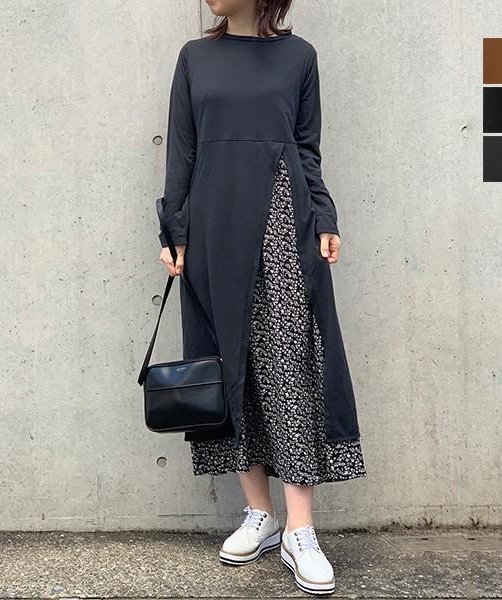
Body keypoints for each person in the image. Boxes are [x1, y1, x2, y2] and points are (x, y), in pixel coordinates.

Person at [156, 0, 367, 594]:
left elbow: (307, 148)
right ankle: (260, 514)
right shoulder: (195, 58)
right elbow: (181, 152)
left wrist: (324, 215)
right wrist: (173, 229)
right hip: (214, 225)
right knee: (231, 362)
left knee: (290, 365)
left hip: (283, 223)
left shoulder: (299, 57)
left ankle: (301, 529)